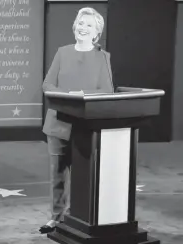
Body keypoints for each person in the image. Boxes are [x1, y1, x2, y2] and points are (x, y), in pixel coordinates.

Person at [39, 7, 114, 234]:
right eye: (80, 23)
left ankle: (82, 217)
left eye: (89, 25)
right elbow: (47, 85)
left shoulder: (103, 57)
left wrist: (82, 96)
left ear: (96, 33)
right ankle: (56, 216)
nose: (83, 28)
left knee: (85, 176)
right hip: (58, 124)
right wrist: (67, 96)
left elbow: (107, 91)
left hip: (86, 127)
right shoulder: (62, 52)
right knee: (58, 174)